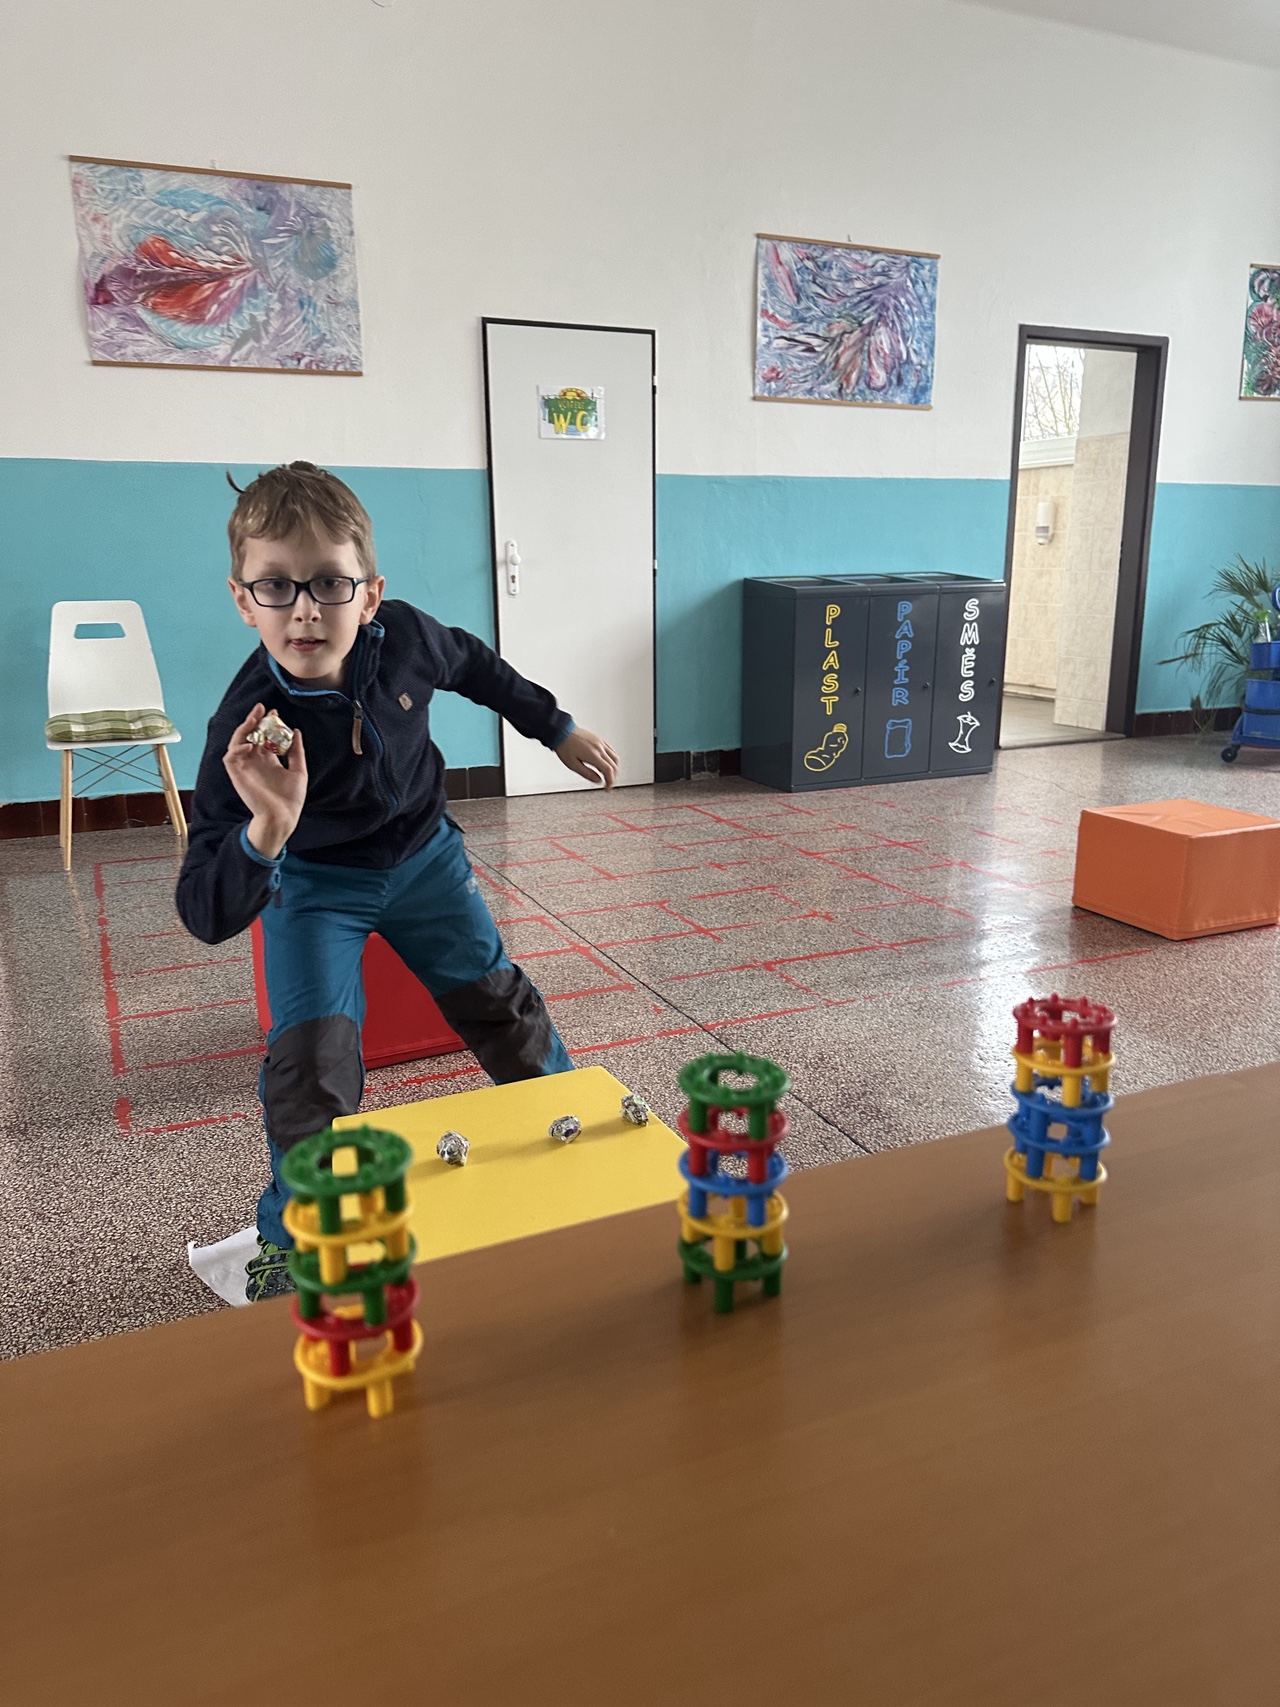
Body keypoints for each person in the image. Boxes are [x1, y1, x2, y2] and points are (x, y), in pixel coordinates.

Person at [176, 461, 618, 1300]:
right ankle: (290, 1244)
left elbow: (477, 665)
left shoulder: (407, 638)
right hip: (314, 886)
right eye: (275, 586)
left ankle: (583, 1143)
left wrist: (555, 726)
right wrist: (268, 829)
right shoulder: (244, 726)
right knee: (311, 1071)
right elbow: (202, 908)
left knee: (503, 1009)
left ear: (370, 595)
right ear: (243, 600)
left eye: (329, 583)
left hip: (424, 860)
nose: (305, 608)